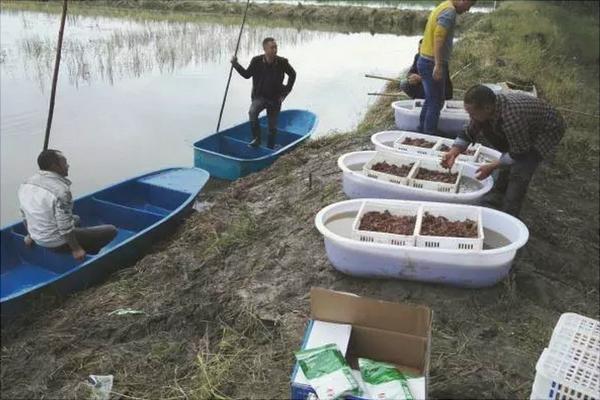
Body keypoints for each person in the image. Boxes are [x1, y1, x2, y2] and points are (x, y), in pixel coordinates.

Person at [441, 85, 566, 217]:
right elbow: (469, 131)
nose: (470, 116)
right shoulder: (486, 110)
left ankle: (509, 213)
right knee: (506, 159)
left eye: (472, 113)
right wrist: (453, 152)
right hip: (525, 125)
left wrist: (492, 166)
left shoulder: (511, 117)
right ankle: (495, 199)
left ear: (487, 108)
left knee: (522, 168)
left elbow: (519, 153)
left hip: (547, 128)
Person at [18, 149, 118, 261]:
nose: (68, 166)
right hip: (55, 242)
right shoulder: (61, 191)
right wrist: (76, 249)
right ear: (54, 166)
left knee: (76, 219)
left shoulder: (26, 183)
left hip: (37, 237)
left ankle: (77, 243)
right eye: (64, 163)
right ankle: (87, 252)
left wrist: (30, 234)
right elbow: (64, 227)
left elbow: (24, 214)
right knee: (112, 230)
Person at [417, 0, 476, 134]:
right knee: (436, 101)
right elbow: (438, 37)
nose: (468, 10)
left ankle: (422, 129)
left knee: (432, 99)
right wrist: (438, 65)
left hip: (425, 59)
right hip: (431, 62)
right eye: (469, 5)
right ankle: (429, 133)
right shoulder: (449, 12)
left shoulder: (445, 5)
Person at [231, 37, 296, 149]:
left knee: (272, 127)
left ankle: (270, 147)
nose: (275, 50)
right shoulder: (256, 61)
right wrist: (235, 64)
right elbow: (247, 75)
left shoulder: (282, 62)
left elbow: (293, 74)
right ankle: (257, 138)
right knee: (252, 112)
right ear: (265, 49)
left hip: (275, 98)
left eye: (276, 47)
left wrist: (286, 91)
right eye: (272, 47)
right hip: (259, 97)